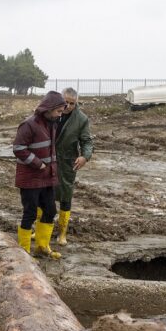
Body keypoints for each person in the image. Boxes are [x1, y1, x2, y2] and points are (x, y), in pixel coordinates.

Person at [13, 91, 66, 260]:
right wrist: (38, 163)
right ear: (49, 109)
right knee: (29, 213)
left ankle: (42, 247)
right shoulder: (29, 124)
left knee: (50, 210)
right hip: (30, 178)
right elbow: (19, 148)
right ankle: (24, 252)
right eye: (58, 111)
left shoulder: (52, 123)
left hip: (47, 178)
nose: (60, 114)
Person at [54, 88, 94, 246]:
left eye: (72, 103)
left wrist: (85, 156)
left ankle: (62, 233)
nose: (68, 106)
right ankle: (43, 229)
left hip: (67, 161)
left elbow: (87, 141)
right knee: (43, 194)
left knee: (65, 196)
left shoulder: (81, 119)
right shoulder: (51, 112)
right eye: (66, 102)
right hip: (48, 159)